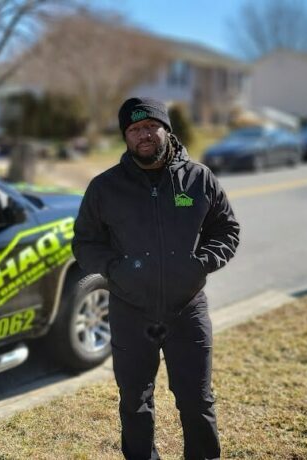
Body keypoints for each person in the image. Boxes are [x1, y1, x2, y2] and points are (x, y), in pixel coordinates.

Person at [72, 97, 240, 460]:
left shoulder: (199, 179)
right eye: (134, 129)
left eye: (151, 126)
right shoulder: (105, 187)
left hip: (187, 310)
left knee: (197, 400)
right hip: (130, 311)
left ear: (167, 130)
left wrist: (201, 263)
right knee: (134, 401)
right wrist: (116, 269)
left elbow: (226, 229)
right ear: (125, 137)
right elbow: (84, 243)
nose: (143, 135)